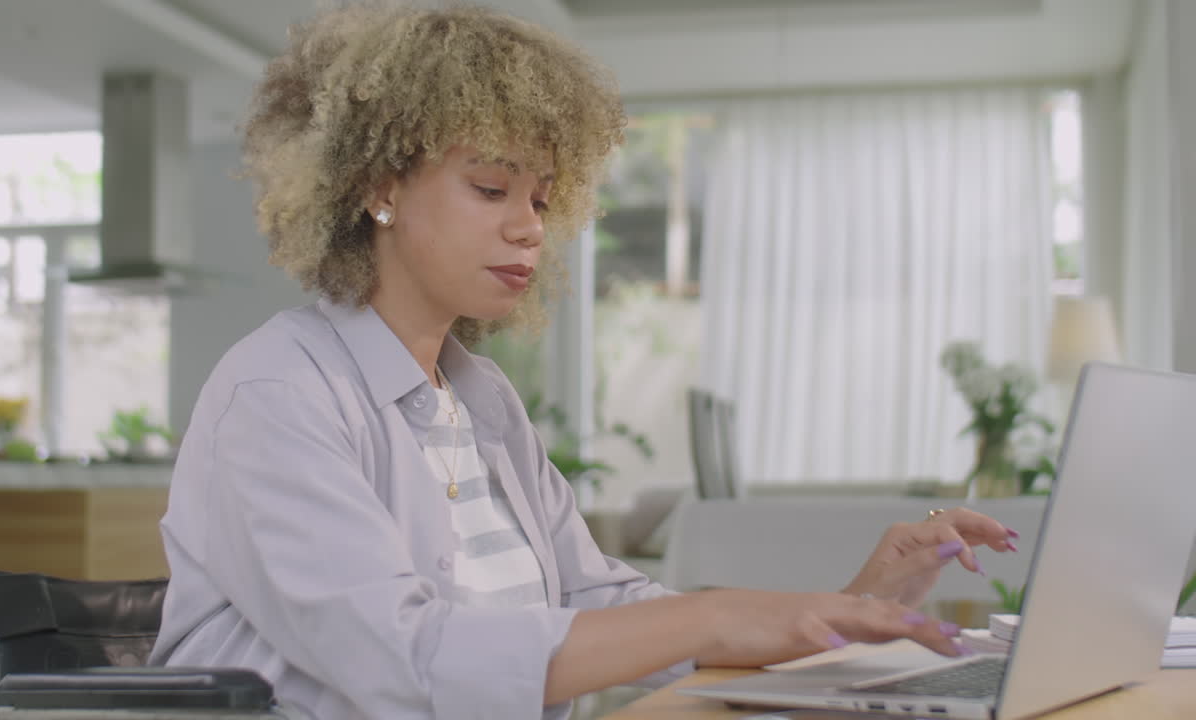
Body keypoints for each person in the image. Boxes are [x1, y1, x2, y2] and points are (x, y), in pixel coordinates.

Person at [148, 3, 1019, 718]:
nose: (529, 225)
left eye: (539, 197)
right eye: (491, 189)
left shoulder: (480, 400)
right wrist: (716, 614)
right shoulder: (279, 393)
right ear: (377, 185)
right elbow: (402, 660)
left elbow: (596, 603)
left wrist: (849, 608)